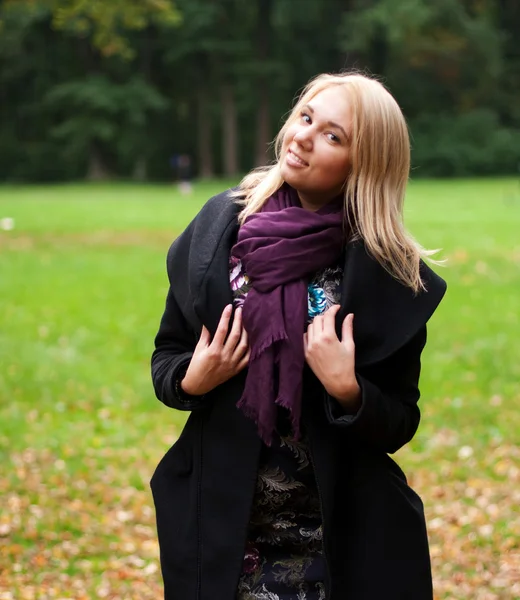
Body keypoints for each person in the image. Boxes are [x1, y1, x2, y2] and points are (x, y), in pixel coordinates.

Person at [150, 72, 447, 600]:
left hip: (338, 543)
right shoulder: (220, 228)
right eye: (306, 116)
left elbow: (400, 419)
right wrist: (194, 378)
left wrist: (349, 391)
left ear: (366, 163)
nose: (304, 136)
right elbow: (167, 358)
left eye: (334, 135)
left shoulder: (387, 272)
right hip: (224, 532)